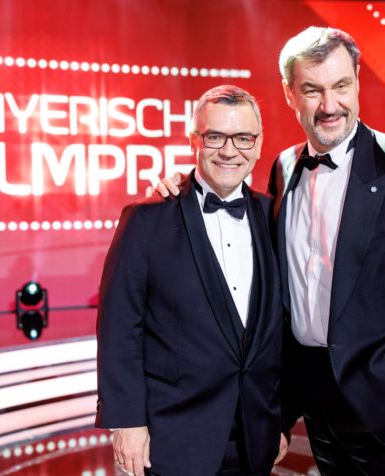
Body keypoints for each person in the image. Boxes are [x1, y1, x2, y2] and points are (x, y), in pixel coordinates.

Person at [155, 27, 385, 475]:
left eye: (341, 86)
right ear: (289, 94)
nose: (330, 105)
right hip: (317, 410)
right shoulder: (284, 167)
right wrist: (184, 189)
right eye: (312, 90)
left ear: (358, 80)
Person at [96, 84, 288, 476]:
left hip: (256, 434)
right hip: (173, 437)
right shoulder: (147, 219)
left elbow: (285, 327)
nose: (230, 151)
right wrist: (127, 422)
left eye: (243, 138)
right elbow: (119, 328)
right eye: (215, 137)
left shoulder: (275, 217)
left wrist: (281, 419)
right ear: (193, 140)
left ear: (259, 143)